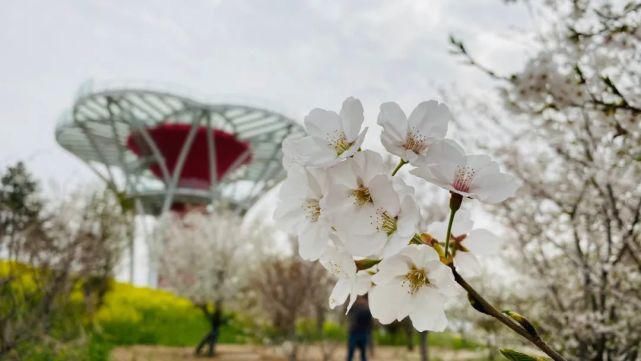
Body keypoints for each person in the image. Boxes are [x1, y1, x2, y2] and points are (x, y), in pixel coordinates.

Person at [347, 295, 373, 361]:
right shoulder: (353, 308)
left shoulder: (367, 310)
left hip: (363, 334)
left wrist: (369, 334)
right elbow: (350, 318)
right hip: (354, 333)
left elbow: (369, 324)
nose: (361, 300)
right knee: (350, 353)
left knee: (363, 354)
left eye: (362, 298)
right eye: (359, 298)